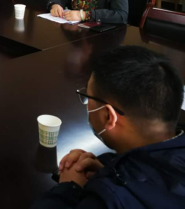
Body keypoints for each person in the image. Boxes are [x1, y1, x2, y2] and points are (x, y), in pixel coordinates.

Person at [31, 45, 185, 208]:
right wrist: (108, 169)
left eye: (87, 96)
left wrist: (68, 188)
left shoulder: (107, 200)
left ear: (108, 116)